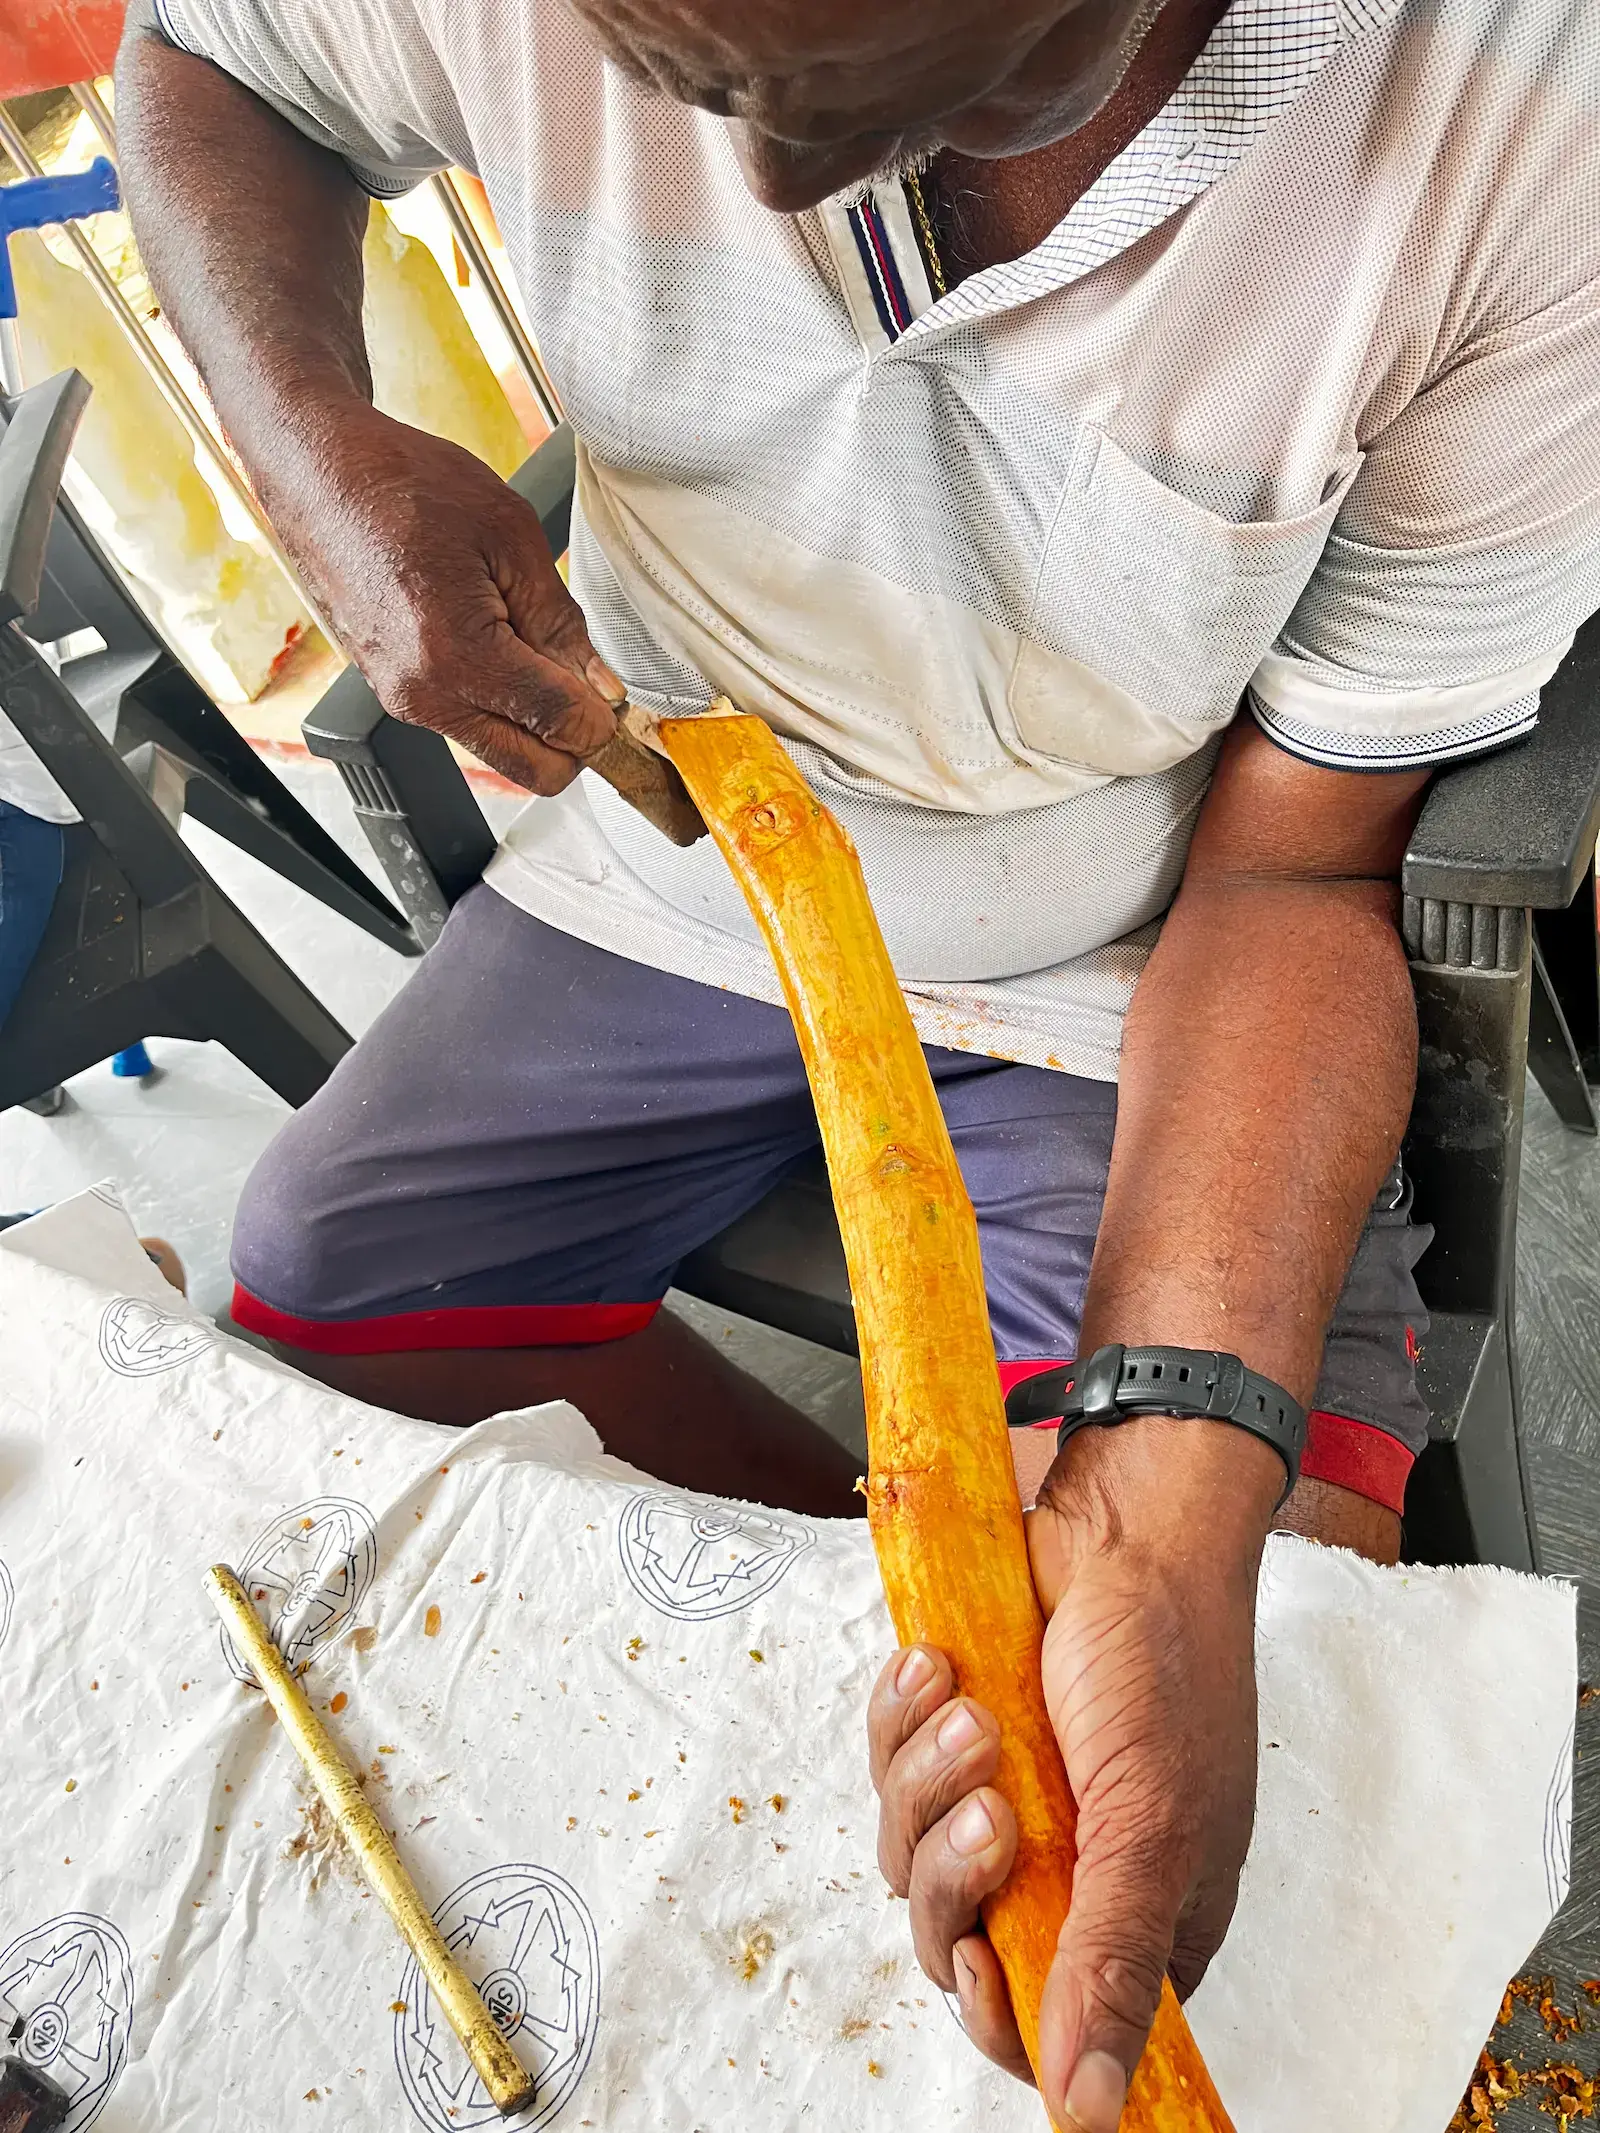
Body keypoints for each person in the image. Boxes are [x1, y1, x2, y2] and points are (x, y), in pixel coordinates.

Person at [115, 0, 1600, 2121]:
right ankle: (890, 1615)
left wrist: (1157, 1508)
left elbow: (1294, 871)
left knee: (1262, 1642)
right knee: (322, 1306)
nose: (771, 194)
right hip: (676, 858)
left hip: (1149, 928)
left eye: (921, 84)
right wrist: (311, 450)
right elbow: (213, 65)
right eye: (680, 69)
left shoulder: (1521, 133)